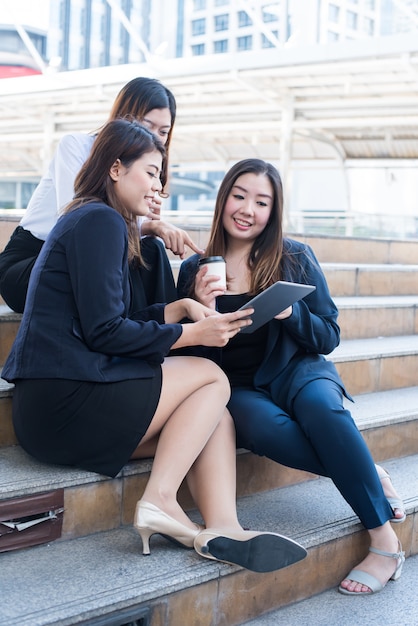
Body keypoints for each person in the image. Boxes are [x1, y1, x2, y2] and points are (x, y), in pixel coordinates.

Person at [1, 123, 307, 573]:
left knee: (214, 418)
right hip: (63, 400)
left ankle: (223, 527)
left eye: (162, 176)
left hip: (61, 410)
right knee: (211, 376)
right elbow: (106, 333)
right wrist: (192, 335)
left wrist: (180, 307)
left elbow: (107, 321)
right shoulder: (98, 219)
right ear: (115, 168)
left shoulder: (98, 221)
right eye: (151, 173)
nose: (159, 188)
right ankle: (161, 499)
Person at [177, 158, 406, 593]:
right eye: (239, 196)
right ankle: (370, 472)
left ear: (273, 211)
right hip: (239, 387)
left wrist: (292, 312)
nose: (247, 209)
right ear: (223, 198)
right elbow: (190, 348)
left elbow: (329, 334)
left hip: (299, 369)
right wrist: (200, 307)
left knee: (325, 412)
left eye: (261, 202)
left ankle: (384, 541)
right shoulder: (196, 270)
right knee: (265, 428)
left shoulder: (295, 256)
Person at [0, 76, 203, 314]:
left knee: (151, 250)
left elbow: (128, 243)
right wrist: (151, 227)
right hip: (35, 261)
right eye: (147, 125)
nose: (155, 137)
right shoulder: (77, 146)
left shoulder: (145, 175)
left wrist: (149, 228)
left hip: (90, 261)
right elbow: (78, 225)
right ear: (124, 117)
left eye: (163, 131)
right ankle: (142, 336)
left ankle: (161, 337)